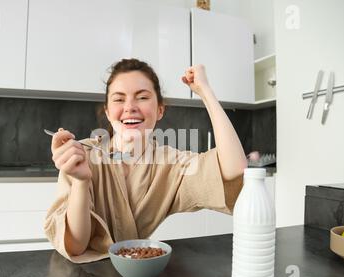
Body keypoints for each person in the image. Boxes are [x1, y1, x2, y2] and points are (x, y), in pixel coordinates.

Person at [45, 58, 247, 263]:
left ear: (160, 110)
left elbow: (234, 166)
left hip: (142, 275)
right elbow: (76, 246)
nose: (130, 107)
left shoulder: (171, 164)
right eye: (118, 99)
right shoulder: (81, 156)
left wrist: (205, 92)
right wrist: (81, 181)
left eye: (142, 97)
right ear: (107, 111)